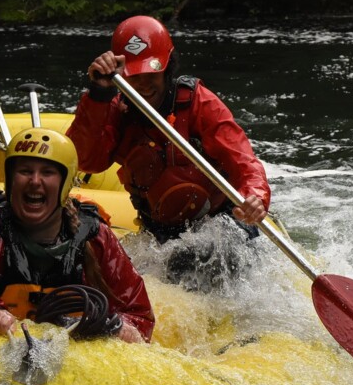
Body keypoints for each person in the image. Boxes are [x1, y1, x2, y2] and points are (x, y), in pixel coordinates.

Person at [66, 16, 270, 288]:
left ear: (168, 66)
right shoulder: (113, 109)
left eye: (153, 72)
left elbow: (244, 161)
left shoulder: (198, 101)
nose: (144, 83)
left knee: (199, 258)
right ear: (121, 73)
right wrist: (98, 95)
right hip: (162, 233)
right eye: (135, 75)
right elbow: (85, 161)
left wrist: (255, 196)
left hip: (221, 221)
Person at [0, 128, 155, 343]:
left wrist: (117, 327)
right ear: (10, 180)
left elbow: (139, 314)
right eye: (25, 171)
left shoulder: (95, 238)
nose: (35, 181)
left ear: (65, 185)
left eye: (47, 173)